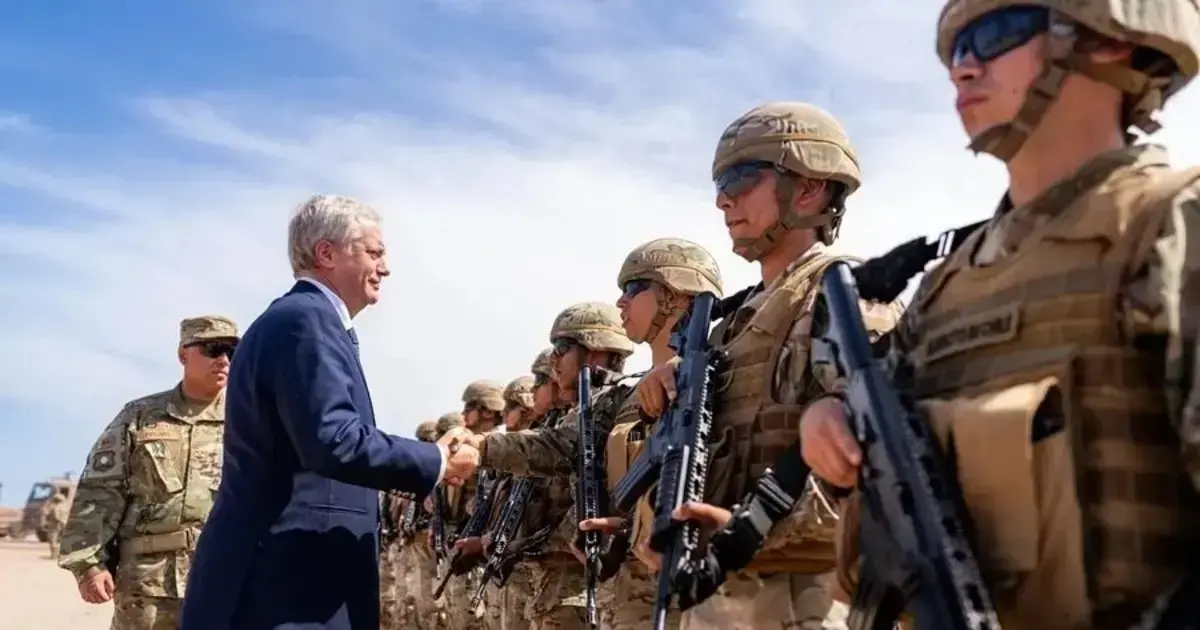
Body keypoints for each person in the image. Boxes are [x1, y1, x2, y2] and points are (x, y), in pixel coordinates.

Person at [800, 1, 1200, 627]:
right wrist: (828, 420)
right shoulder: (948, 283)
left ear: (1108, 42)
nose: (962, 70)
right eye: (955, 51)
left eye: (994, 35)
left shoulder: (1173, 224)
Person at [635, 103, 902, 629]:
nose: (722, 200)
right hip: (718, 594)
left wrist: (751, 526)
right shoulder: (730, 325)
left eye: (740, 177)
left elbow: (884, 467)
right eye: (720, 184)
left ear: (807, 188)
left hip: (806, 602)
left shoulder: (846, 298)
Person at [180, 195, 479, 630]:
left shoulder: (299, 321)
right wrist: (435, 460)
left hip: (290, 584)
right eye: (373, 252)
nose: (386, 267)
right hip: (286, 588)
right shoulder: (306, 321)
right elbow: (333, 439)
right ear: (326, 253)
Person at [449, 304, 638, 629]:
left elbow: (557, 450)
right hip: (567, 575)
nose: (553, 362)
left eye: (562, 349)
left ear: (593, 351)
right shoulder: (585, 410)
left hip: (583, 577)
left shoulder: (618, 401)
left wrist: (483, 446)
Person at [57, 315, 238, 630]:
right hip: (148, 588)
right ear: (184, 354)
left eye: (232, 351)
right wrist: (88, 566)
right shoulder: (139, 417)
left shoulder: (250, 419)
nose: (223, 360)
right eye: (212, 349)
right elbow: (100, 491)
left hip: (226, 580)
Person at [580, 237, 724, 630]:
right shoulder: (628, 396)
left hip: (692, 586)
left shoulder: (719, 374)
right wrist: (627, 527)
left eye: (632, 288)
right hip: (634, 589)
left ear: (675, 296)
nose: (620, 304)